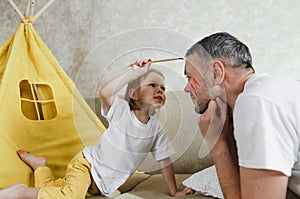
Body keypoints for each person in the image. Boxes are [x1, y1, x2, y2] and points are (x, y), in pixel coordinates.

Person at [0, 59, 187, 198]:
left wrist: (174, 192)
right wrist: (133, 73)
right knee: (70, 196)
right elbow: (105, 92)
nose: (160, 90)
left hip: (100, 184)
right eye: (152, 85)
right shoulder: (122, 111)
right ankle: (21, 193)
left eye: (163, 87)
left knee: (57, 190)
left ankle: (41, 168)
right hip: (87, 166)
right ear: (134, 94)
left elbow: (165, 162)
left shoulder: (155, 130)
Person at [182, 32, 300, 199]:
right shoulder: (265, 93)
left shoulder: (256, 101)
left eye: (190, 78)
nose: (187, 88)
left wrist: (216, 143)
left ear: (216, 73)